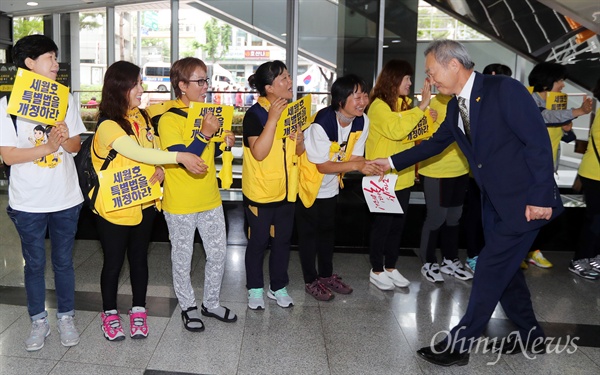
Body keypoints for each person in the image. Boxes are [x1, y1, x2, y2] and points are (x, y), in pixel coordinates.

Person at [369, 40, 564, 366]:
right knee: (506, 273)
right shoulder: (453, 106)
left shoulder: (505, 90)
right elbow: (435, 144)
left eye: (431, 71)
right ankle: (532, 334)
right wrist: (388, 161)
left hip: (526, 204)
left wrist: (541, 196)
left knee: (489, 268)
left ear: (453, 65)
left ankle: (457, 345)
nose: (429, 79)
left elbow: (537, 141)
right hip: (493, 203)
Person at [92, 60, 206, 341]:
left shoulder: (141, 117)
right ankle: (109, 314)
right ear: (121, 87)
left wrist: (160, 167)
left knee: (140, 260)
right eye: (137, 84)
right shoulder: (108, 125)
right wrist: (178, 157)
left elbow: (152, 146)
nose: (142, 89)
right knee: (114, 263)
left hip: (145, 204)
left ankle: (139, 310)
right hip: (114, 209)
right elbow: (136, 152)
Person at [0, 34, 85, 352]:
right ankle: (38, 321)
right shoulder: (7, 106)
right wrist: (47, 146)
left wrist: (62, 137)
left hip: (65, 197)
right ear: (29, 63)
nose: (56, 63)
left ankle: (66, 317)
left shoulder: (65, 99)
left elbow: (76, 147)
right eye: (50, 57)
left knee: (63, 262)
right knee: (34, 264)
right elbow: (8, 156)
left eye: (56, 57)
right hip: (27, 201)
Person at [152, 57, 237, 331]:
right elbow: (184, 158)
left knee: (217, 253)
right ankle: (188, 306)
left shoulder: (208, 113)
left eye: (206, 80)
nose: (205, 86)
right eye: (199, 81)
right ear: (182, 85)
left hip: (210, 197)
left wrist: (224, 141)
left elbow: (210, 154)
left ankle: (211, 302)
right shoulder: (168, 119)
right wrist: (205, 134)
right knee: (182, 256)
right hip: (180, 202)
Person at [297, 74, 378, 301]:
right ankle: (310, 281)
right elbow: (322, 166)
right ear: (340, 100)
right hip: (308, 186)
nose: (363, 101)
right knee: (309, 235)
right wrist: (357, 165)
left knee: (327, 233)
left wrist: (373, 165)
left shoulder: (362, 121)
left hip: (331, 185)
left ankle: (325, 275)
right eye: (356, 96)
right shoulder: (322, 123)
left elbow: (355, 157)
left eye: (364, 95)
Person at [365, 59, 436, 289]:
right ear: (395, 79)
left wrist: (426, 118)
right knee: (382, 226)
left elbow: (411, 131)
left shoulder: (404, 105)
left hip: (403, 175)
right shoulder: (378, 106)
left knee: (397, 226)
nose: (410, 83)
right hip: (382, 177)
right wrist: (422, 108)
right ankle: (376, 269)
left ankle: (391, 267)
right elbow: (396, 131)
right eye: (407, 78)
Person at [242, 60, 304, 309]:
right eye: (284, 79)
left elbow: (298, 151)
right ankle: (255, 288)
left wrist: (299, 139)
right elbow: (259, 152)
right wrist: (273, 120)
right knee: (258, 242)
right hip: (261, 192)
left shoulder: (291, 111)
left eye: (289, 77)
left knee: (282, 242)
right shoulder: (254, 115)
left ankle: (278, 286)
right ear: (269, 88)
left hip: (287, 190)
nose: (290, 83)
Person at [526, 62, 593, 269]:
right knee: (543, 211)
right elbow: (543, 117)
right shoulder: (528, 98)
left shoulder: (556, 101)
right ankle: (525, 250)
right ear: (547, 82)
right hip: (531, 168)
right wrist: (577, 111)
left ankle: (529, 250)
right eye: (560, 80)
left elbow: (559, 131)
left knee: (545, 212)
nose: (563, 85)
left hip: (547, 166)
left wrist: (567, 129)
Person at [417, 90, 471, 283]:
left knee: (454, 218)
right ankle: (428, 262)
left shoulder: (464, 102)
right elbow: (418, 135)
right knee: (436, 218)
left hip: (461, 169)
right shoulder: (433, 104)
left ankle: (450, 259)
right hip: (436, 170)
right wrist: (423, 114)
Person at [464, 63, 512, 273]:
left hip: (503, 179)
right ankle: (476, 256)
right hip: (478, 176)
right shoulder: (466, 103)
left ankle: (494, 258)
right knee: (476, 217)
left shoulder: (509, 103)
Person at [568, 78, 600, 280]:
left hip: (594, 172)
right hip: (595, 174)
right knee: (595, 220)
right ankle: (580, 259)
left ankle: (594, 257)